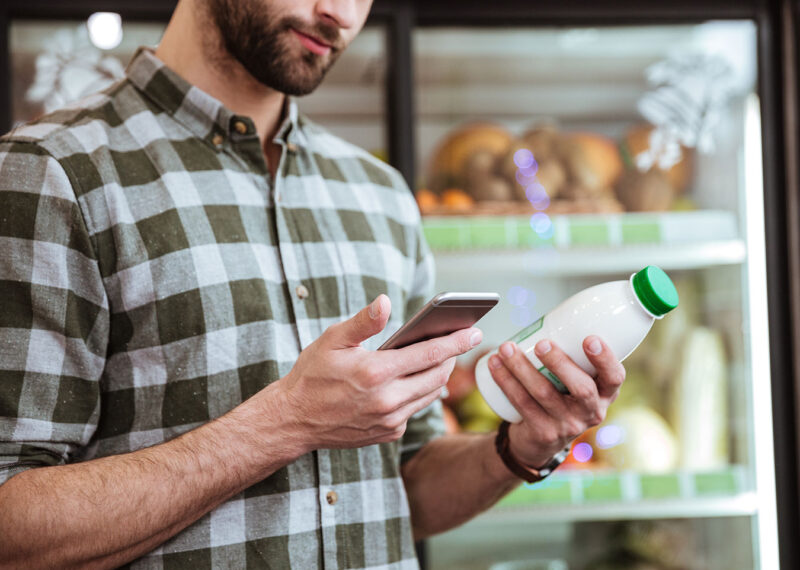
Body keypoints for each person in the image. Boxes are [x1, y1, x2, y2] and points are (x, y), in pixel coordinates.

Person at [0, 1, 626, 568]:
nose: (342, 15)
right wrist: (287, 423)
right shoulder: (52, 174)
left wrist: (522, 447)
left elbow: (401, 485)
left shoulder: (378, 194)